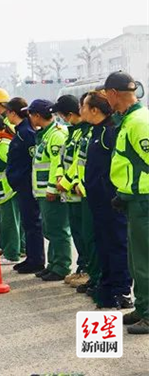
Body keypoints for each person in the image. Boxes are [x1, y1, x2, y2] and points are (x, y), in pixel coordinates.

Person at [99, 71, 149, 334]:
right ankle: (142, 307)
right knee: (135, 260)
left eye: (106, 94)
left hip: (144, 201)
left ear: (113, 94)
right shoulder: (130, 119)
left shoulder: (139, 121)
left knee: (144, 261)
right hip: (134, 199)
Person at [79, 91, 132, 310]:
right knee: (102, 243)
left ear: (95, 110)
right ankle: (107, 285)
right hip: (97, 201)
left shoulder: (110, 132)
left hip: (111, 201)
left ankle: (121, 290)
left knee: (117, 244)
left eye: (84, 106)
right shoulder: (95, 131)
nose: (81, 110)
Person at [52, 95, 95, 289]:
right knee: (77, 232)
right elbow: (63, 159)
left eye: (61, 115)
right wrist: (60, 177)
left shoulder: (86, 131)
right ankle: (82, 268)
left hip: (79, 190)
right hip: (70, 190)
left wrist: (68, 182)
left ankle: (88, 270)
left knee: (85, 234)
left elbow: (81, 161)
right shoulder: (72, 133)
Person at [27, 99, 71, 282]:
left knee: (58, 229)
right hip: (42, 191)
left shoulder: (57, 134)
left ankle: (61, 266)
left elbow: (56, 164)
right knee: (50, 229)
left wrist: (52, 188)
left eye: (30, 114)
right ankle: (53, 263)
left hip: (51, 192)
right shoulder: (45, 134)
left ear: (37, 115)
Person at [6, 97, 45, 275]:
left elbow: (31, 161)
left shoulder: (26, 133)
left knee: (32, 223)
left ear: (13, 113)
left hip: (27, 184)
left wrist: (20, 179)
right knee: (28, 223)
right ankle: (31, 257)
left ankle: (36, 260)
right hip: (22, 184)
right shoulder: (21, 131)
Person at [0, 114, 21, 265]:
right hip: (1, 191)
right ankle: (9, 250)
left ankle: (12, 253)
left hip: (8, 191)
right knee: (5, 222)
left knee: (10, 224)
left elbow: (12, 166)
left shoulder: (4, 144)